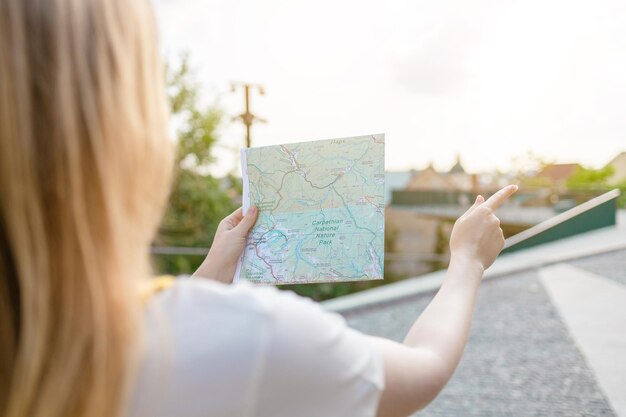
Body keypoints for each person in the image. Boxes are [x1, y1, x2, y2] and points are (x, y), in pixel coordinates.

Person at [0, 0, 518, 416]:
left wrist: (211, 272)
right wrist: (466, 261)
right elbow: (421, 372)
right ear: (123, 132)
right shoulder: (250, 339)